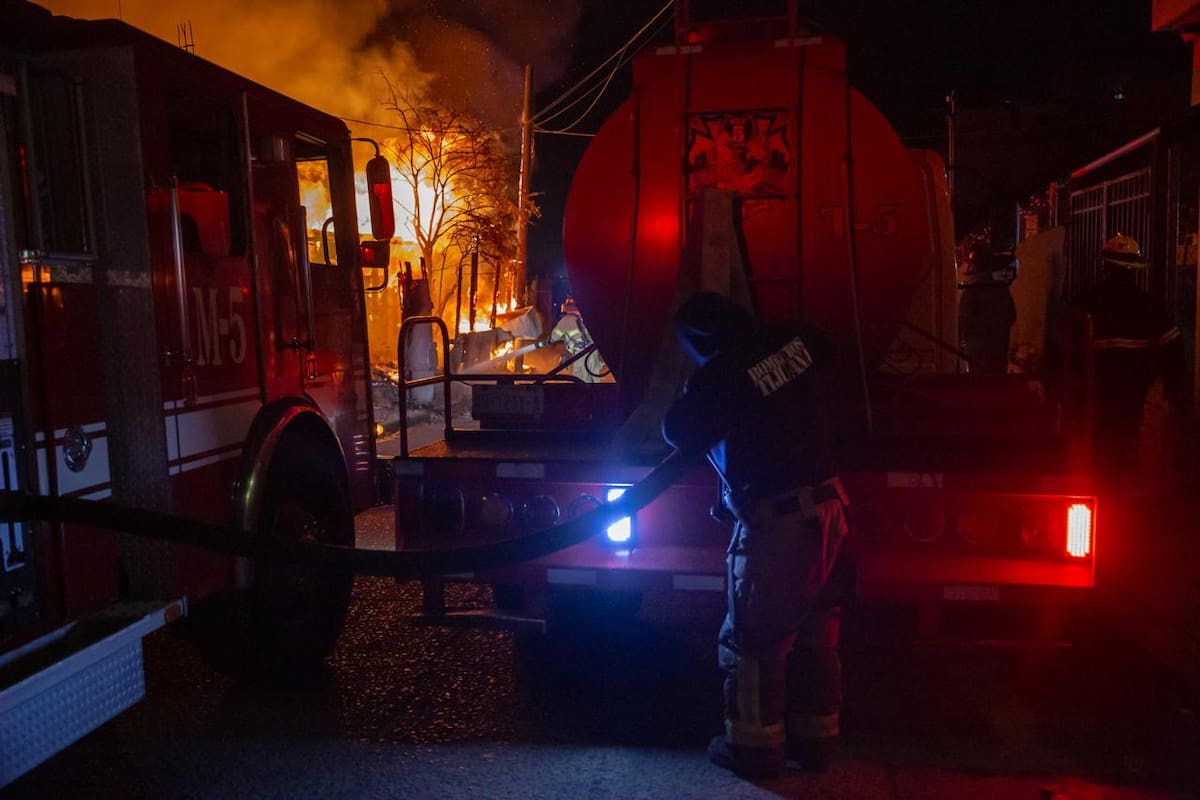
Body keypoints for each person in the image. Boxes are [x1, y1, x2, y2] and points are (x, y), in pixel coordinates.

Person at [661, 291, 849, 779]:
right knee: (814, 635)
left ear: (700, 342)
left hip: (780, 526)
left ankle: (753, 749)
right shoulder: (799, 340)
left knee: (752, 643)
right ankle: (815, 745)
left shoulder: (719, 378)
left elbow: (678, 431)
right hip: (831, 516)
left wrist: (694, 385)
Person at [1071, 233, 1186, 481]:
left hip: (1095, 390)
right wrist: (1177, 393)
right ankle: (1118, 480)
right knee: (1124, 436)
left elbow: (1066, 345)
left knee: (1097, 442)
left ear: (1105, 266)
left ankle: (1101, 481)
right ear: (1135, 269)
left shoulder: (1088, 301)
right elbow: (1173, 349)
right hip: (1133, 389)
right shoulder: (1148, 305)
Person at [958, 241, 1017, 375]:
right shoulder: (1000, 287)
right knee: (996, 386)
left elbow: (965, 321)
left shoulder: (971, 289)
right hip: (999, 349)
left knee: (980, 387)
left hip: (978, 352)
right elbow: (1012, 314)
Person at [548, 297, 607, 382]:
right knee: (594, 379)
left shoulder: (565, 320)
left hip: (580, 355)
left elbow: (554, 337)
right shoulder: (587, 318)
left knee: (581, 381)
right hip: (593, 352)